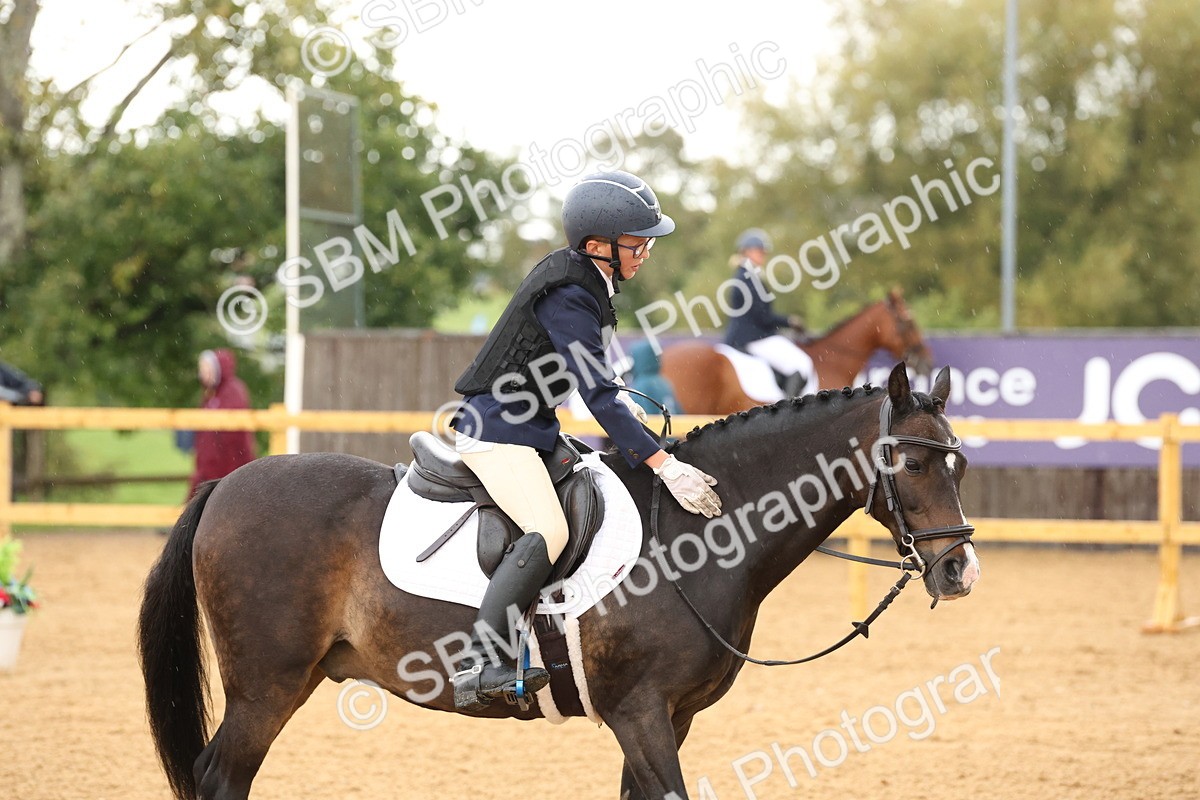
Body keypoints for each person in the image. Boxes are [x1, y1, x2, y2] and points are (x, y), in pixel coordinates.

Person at [448, 170, 722, 710]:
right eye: (637, 243)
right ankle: (480, 661)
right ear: (598, 246)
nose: (645, 252)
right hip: (497, 432)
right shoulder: (570, 295)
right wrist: (664, 465)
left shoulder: (588, 285)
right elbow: (598, 397)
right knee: (547, 529)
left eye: (647, 243)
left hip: (532, 429)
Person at [723, 228, 816, 396]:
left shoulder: (749, 274)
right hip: (752, 336)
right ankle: (789, 412)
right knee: (802, 364)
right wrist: (789, 321)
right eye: (760, 251)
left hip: (752, 334)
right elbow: (762, 316)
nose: (763, 255)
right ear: (747, 251)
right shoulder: (747, 277)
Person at [189, 349, 256, 498]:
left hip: (227, 465)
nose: (203, 374)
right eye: (202, 369)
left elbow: (234, 434)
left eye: (207, 369)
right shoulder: (210, 395)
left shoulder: (233, 391)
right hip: (208, 466)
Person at [626, 340, 682, 416]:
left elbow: (641, 417)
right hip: (671, 425)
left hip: (657, 426)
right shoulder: (664, 382)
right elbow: (678, 412)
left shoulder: (642, 385)